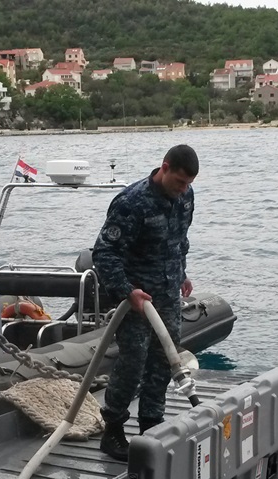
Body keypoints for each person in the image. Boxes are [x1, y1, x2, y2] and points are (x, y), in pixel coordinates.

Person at [91, 145, 198, 461]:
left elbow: (179, 240)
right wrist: (127, 291)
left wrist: (182, 274)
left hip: (167, 295)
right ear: (164, 168)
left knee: (165, 361)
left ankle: (152, 425)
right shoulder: (131, 203)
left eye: (188, 183)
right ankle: (113, 429)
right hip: (136, 299)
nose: (183, 189)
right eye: (179, 181)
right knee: (133, 362)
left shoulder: (185, 198)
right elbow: (105, 253)